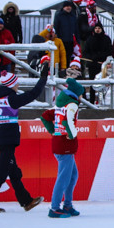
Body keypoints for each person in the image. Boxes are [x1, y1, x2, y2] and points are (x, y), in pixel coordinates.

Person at [0, 58, 50, 213]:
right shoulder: (12, 100)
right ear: (11, 85)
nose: (18, 86)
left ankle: (26, 201)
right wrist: (43, 78)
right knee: (2, 173)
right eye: (16, 84)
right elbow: (34, 94)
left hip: (0, 141)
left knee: (14, 172)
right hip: (8, 141)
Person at [40, 62, 86, 218]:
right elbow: (68, 122)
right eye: (81, 94)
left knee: (72, 176)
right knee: (64, 178)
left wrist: (54, 131)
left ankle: (67, 205)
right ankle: (54, 208)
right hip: (65, 145)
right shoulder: (72, 104)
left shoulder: (62, 103)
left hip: (61, 144)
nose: (82, 97)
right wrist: (71, 135)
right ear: (76, 94)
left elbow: (45, 116)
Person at [52, 0, 79, 66]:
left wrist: (77, 40)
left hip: (70, 40)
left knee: (68, 57)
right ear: (63, 7)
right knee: (61, 57)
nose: (68, 7)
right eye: (67, 6)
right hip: (61, 40)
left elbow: (76, 29)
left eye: (69, 6)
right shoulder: (59, 15)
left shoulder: (73, 16)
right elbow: (56, 28)